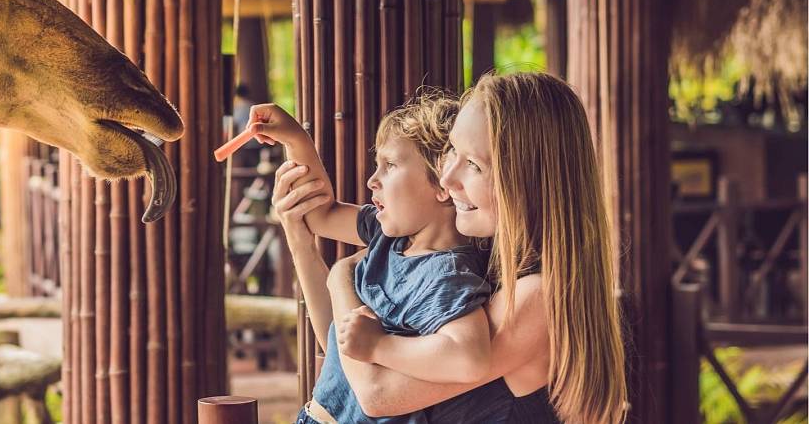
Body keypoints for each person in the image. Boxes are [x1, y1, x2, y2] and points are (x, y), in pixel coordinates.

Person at [275, 72, 628, 423]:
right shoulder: (480, 259)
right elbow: (345, 364)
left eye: (473, 164)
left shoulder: (534, 297)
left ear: (526, 179)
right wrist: (299, 238)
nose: (446, 179)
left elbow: (376, 393)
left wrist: (342, 275)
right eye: (453, 152)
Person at [249, 94, 499, 423]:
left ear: (443, 183)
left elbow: (469, 357)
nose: (372, 180)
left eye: (390, 165)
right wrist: (295, 139)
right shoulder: (389, 237)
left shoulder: (446, 274)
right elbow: (319, 215)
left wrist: (378, 345)